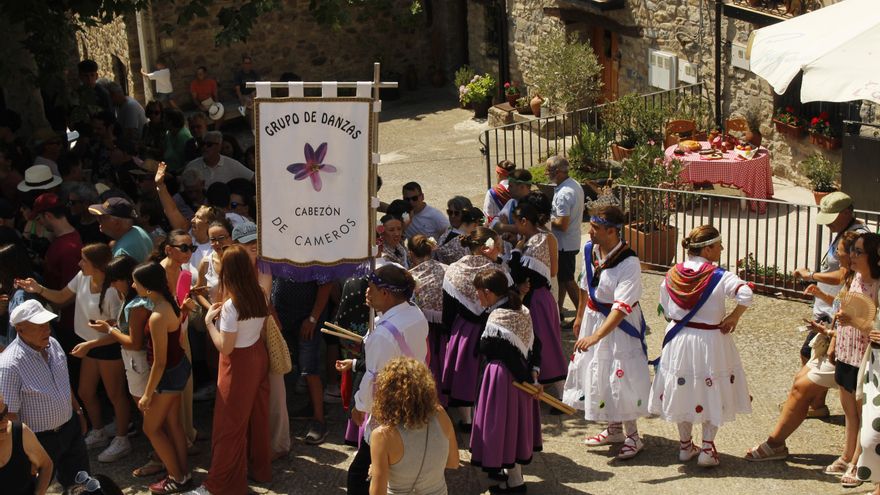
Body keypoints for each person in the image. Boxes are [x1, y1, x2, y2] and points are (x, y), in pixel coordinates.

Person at [744, 231, 860, 462]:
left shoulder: (861, 281)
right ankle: (778, 443)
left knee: (802, 388)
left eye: (839, 253)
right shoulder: (852, 278)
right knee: (800, 382)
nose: (836, 257)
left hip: (847, 349)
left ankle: (775, 444)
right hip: (836, 342)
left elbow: (854, 318)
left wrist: (833, 338)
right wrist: (821, 296)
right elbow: (842, 308)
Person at [648, 225, 753, 467]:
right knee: (711, 390)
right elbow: (746, 294)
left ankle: (685, 446)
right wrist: (734, 317)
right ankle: (707, 449)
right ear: (707, 249)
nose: (722, 248)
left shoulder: (672, 274)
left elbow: (666, 309)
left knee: (683, 389)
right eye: (718, 245)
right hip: (710, 341)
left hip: (679, 339)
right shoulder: (720, 276)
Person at [15, 244, 130, 462]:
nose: (79, 263)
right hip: (90, 345)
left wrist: (91, 344)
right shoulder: (82, 277)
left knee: (116, 395)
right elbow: (60, 297)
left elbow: (120, 331)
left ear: (97, 265)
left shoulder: (113, 290)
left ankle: (122, 439)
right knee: (85, 392)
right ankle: (99, 432)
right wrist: (37, 288)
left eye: (84, 260)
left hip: (108, 346)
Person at [562, 206, 650, 460]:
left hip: (618, 325)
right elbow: (584, 283)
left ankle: (633, 436)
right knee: (599, 371)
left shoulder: (629, 262)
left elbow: (622, 307)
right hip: (593, 318)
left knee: (620, 375)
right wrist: (580, 316)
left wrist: (596, 336)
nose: (589, 231)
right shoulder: (590, 249)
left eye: (595, 228)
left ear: (612, 231)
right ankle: (614, 429)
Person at [190, 245, 271, 495]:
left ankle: (217, 485)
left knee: (228, 427)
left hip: (237, 365)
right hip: (258, 356)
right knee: (256, 417)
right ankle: (259, 469)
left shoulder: (231, 306)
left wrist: (208, 322)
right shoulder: (260, 293)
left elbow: (225, 347)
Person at [341, 264, 429, 495]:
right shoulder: (415, 314)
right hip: (415, 397)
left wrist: (360, 406)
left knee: (360, 475)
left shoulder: (383, 334)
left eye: (370, 287)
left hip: (389, 407)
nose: (366, 292)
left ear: (385, 293)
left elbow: (373, 379)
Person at [792, 191, 868, 418]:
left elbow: (843, 275)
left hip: (835, 311)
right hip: (829, 306)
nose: (828, 224)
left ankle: (811, 402)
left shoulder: (857, 237)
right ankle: (817, 404)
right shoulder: (846, 232)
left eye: (832, 217)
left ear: (847, 213)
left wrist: (811, 275)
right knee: (812, 353)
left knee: (811, 355)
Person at [0, 300, 89, 490]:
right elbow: (10, 416)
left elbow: (63, 382)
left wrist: (78, 411)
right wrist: (22, 452)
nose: (47, 330)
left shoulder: (53, 344)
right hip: (40, 440)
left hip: (70, 429)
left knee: (82, 486)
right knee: (35, 488)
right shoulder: (9, 365)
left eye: (47, 324)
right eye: (39, 326)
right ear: (20, 329)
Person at [470, 269, 542, 492]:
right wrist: (533, 374)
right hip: (519, 378)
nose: (477, 297)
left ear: (488, 292)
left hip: (503, 379)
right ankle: (510, 476)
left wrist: (527, 380)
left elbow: (496, 351)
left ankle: (515, 482)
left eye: (478, 293)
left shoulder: (497, 317)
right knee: (514, 427)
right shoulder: (521, 309)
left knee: (502, 427)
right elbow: (535, 344)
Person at [133, 262, 193, 494]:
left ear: (147, 287)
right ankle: (183, 473)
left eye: (136, 282)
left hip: (167, 376)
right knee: (174, 424)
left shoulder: (157, 315)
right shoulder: (169, 304)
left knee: (151, 429)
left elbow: (159, 362)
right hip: (178, 369)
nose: (133, 286)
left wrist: (147, 395)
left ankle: (177, 477)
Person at [825, 232, 880, 487]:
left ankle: (858, 461)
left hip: (865, 356)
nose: (853, 256)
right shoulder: (853, 277)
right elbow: (842, 311)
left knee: (862, 411)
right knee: (848, 411)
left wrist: (854, 322)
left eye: (859, 252)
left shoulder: (877, 286)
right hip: (846, 349)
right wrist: (834, 342)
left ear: (873, 256)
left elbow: (875, 328)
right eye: (852, 251)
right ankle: (847, 455)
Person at [231, 221, 290, 460]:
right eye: (248, 243)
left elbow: (260, 302)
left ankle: (279, 444)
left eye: (256, 241)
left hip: (263, 334)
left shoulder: (263, 267)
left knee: (275, 391)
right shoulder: (231, 267)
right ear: (235, 246)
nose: (254, 246)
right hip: (240, 337)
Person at [440, 227, 503, 429]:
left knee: (465, 370)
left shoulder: (454, 269)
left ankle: (467, 419)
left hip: (465, 329)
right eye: (497, 246)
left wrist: (449, 333)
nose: (500, 250)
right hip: (494, 325)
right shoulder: (497, 271)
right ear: (486, 248)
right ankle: (489, 413)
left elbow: (449, 308)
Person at [368, 357, 458, 495]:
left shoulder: (383, 435)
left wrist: (374, 472)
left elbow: (377, 493)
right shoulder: (440, 414)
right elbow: (453, 462)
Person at [510, 201, 566, 386]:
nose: (514, 226)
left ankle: (556, 390)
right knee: (548, 341)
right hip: (544, 297)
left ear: (524, 221)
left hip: (536, 300)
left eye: (515, 222)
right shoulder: (547, 237)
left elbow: (518, 274)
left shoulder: (534, 243)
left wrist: (516, 251)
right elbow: (554, 271)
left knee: (543, 342)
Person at [408, 235, 448, 403]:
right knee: (441, 365)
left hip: (420, 331)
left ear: (410, 254)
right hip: (445, 329)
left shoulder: (408, 277)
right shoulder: (447, 270)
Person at [546, 156, 584, 320]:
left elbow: (562, 224)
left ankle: (582, 316)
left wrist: (545, 220)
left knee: (568, 280)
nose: (546, 173)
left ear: (558, 172)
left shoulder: (564, 194)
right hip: (569, 241)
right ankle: (558, 310)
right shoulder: (573, 185)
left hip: (564, 244)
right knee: (562, 279)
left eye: (549, 170)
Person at [0, 391, 53, 495]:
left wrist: (39, 492)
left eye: (5, 411)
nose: (5, 420)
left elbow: (46, 465)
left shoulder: (20, 433)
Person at [89, 197, 153, 262]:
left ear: (117, 224)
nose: (98, 220)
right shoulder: (137, 229)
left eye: (102, 217)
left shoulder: (122, 253)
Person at [184, 131, 254, 188]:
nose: (204, 147)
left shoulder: (232, 164)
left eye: (209, 144)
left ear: (219, 147)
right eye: (202, 144)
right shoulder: (192, 166)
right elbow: (183, 191)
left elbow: (254, 178)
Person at [163, 109, 192, 173]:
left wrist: (174, 174)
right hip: (167, 171)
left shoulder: (183, 136)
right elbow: (164, 155)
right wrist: (159, 174)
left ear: (170, 122)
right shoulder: (169, 134)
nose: (162, 121)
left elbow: (186, 162)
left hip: (178, 173)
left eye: (164, 119)